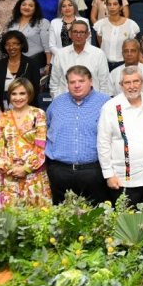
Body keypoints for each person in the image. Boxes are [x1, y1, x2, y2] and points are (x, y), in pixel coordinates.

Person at [45, 66, 112, 205]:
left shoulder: (106, 103)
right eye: (72, 82)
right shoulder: (57, 103)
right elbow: (46, 128)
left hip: (93, 172)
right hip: (60, 172)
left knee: (97, 218)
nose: (77, 85)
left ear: (91, 81)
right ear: (67, 84)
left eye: (81, 81)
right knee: (62, 219)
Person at [97, 66, 143, 206]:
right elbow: (103, 143)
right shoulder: (110, 108)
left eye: (136, 81)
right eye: (127, 82)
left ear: (142, 82)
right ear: (121, 85)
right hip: (123, 180)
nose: (132, 86)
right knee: (127, 223)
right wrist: (109, 175)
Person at [0, 78, 52, 209]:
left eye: (22, 93)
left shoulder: (38, 114)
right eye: (14, 94)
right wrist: (10, 169)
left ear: (29, 94)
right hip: (9, 177)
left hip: (33, 176)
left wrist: (25, 169)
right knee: (11, 221)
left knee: (36, 220)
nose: (18, 98)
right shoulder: (3, 117)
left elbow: (41, 146)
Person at [48, 22, 114, 99]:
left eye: (82, 32)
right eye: (75, 32)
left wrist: (98, 103)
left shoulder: (98, 54)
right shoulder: (60, 54)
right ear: (70, 34)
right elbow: (54, 83)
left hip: (92, 103)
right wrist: (59, 102)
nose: (78, 35)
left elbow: (104, 84)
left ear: (87, 34)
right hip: (66, 102)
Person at [0, 30, 41, 110]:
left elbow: (35, 89)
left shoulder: (31, 64)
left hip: (26, 110)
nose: (11, 47)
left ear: (22, 45)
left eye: (15, 44)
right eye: (8, 44)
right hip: (2, 111)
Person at [94, 0, 141, 68]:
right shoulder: (100, 24)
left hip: (124, 64)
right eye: (109, 4)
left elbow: (133, 47)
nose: (112, 7)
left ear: (121, 7)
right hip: (104, 64)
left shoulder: (131, 24)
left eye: (115, 4)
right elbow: (101, 44)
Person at [8, 0, 52, 71]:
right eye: (24, 5)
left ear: (35, 9)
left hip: (35, 63)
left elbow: (47, 47)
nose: (27, 7)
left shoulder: (42, 22)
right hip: (14, 63)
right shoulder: (13, 22)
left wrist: (48, 65)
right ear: (19, 7)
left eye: (31, 5)